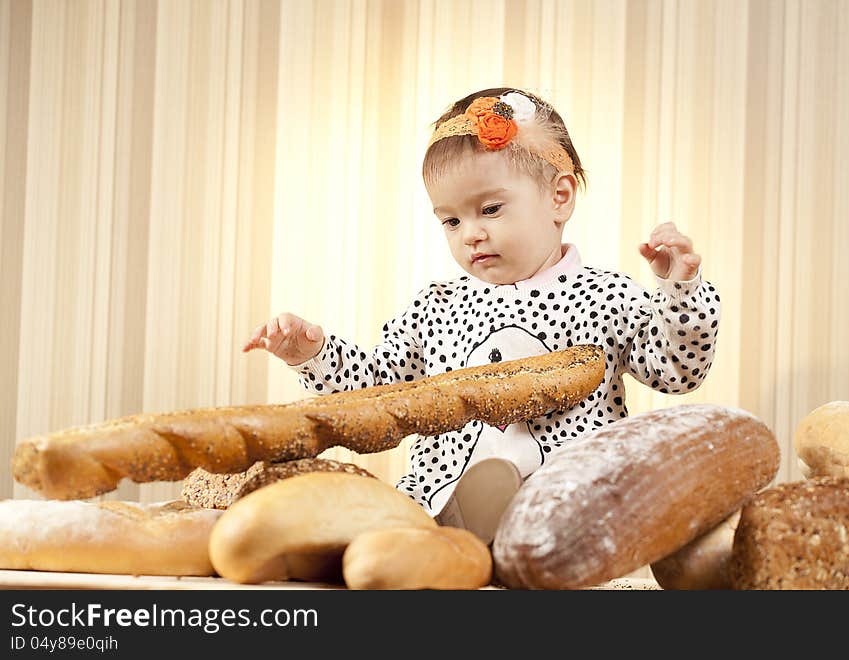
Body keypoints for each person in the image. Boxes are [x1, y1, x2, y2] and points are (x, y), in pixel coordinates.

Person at [242, 87, 720, 544]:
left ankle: (519, 513)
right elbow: (377, 397)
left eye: (489, 209)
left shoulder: (606, 295)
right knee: (380, 535)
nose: (470, 233)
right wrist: (313, 355)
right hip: (439, 518)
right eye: (450, 220)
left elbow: (677, 372)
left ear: (559, 197)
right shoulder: (437, 307)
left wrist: (679, 291)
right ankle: (441, 521)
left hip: (571, 519)